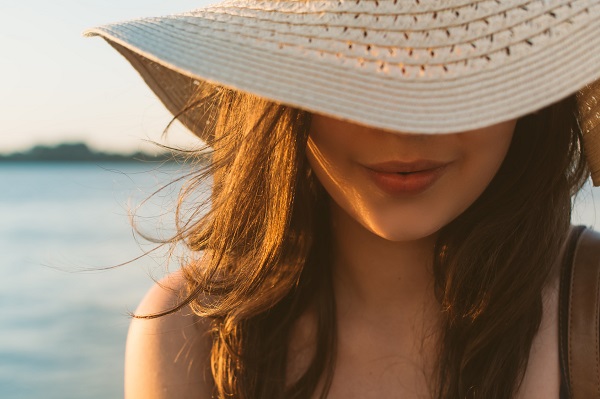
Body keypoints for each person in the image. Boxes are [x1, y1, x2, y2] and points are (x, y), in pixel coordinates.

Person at [85, 0, 600, 398]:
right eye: (356, 62)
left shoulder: (589, 318)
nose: (405, 124)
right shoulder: (191, 332)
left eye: (456, 64)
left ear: (532, 93)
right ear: (279, 92)